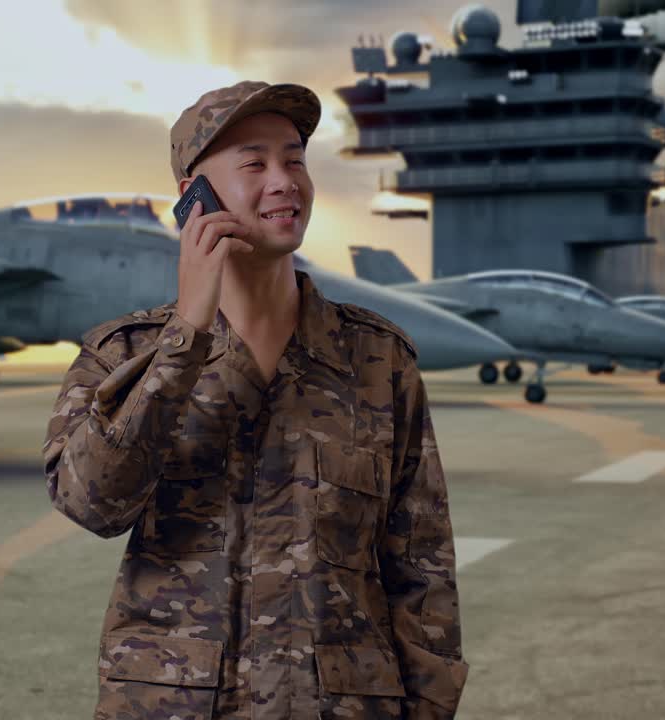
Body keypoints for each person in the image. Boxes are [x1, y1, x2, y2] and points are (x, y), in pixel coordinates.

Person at [43, 80, 468, 719]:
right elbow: (92, 503)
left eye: (294, 158)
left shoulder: (378, 361)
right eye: (254, 162)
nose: (284, 180)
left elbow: (424, 577)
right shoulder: (124, 355)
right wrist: (184, 339)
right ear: (194, 199)